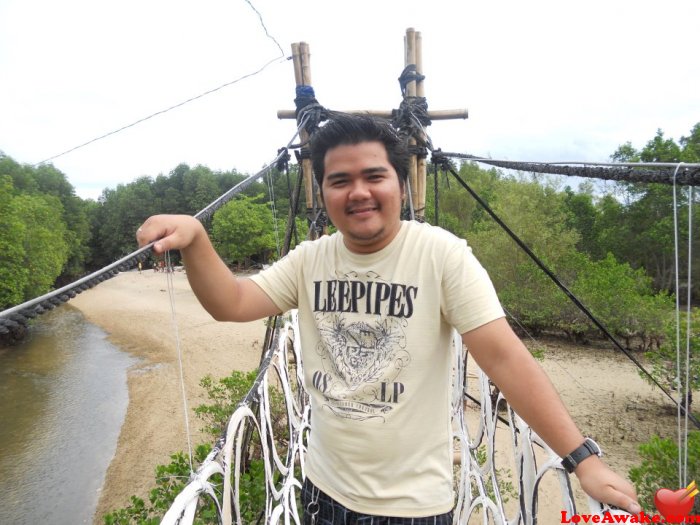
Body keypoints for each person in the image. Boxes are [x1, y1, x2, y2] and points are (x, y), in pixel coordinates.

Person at [137, 114, 640, 523]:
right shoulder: (311, 259)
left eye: (373, 176)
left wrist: (583, 461)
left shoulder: (442, 255)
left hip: (413, 509)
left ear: (400, 183)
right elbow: (233, 303)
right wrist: (197, 240)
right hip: (322, 493)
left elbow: (505, 358)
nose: (358, 192)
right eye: (340, 181)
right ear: (322, 192)